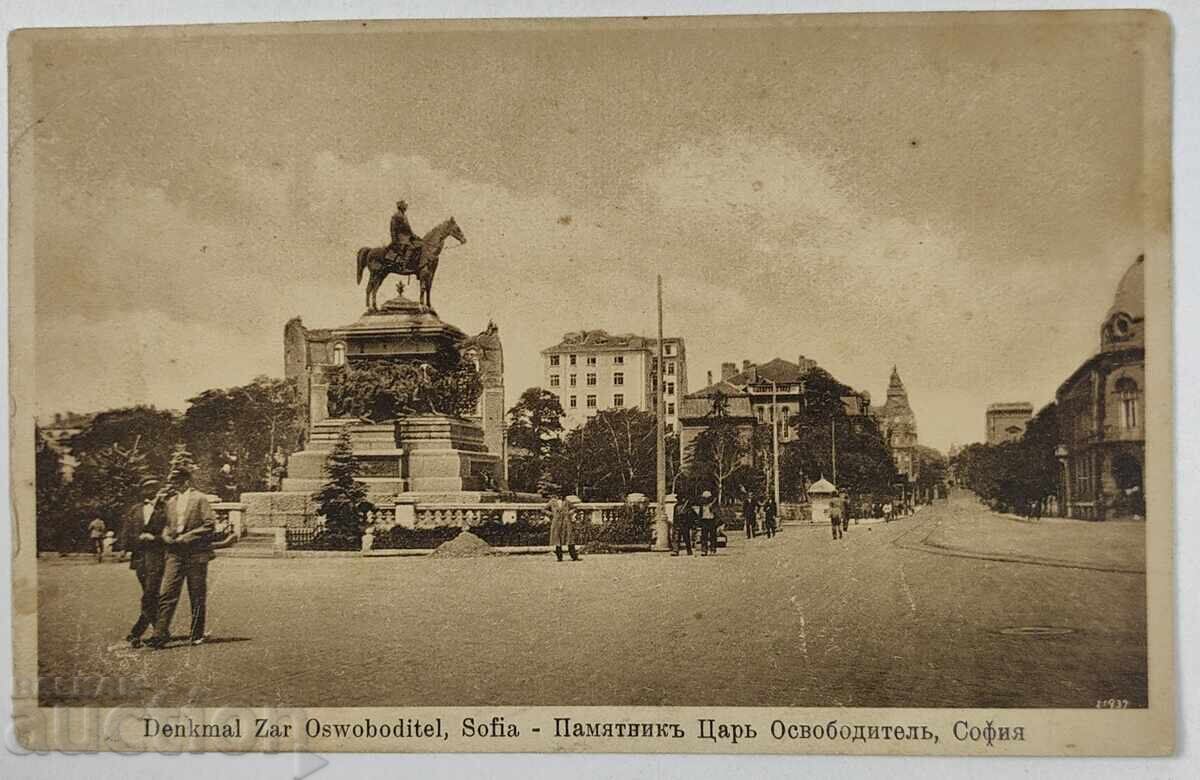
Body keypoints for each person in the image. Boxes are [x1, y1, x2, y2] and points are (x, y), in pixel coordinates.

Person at [148, 461, 220, 648]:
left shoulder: (200, 499)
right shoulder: (170, 502)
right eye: (172, 482)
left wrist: (187, 537)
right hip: (174, 554)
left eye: (177, 482)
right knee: (166, 592)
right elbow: (165, 524)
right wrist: (165, 536)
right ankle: (159, 634)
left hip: (196, 554)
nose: (173, 485)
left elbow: (209, 524)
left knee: (196, 594)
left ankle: (196, 633)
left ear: (186, 482)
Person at [121, 478, 168, 648]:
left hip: (157, 556)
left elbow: (170, 530)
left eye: (151, 488)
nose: (148, 492)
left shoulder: (165, 508)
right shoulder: (136, 509)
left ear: (157, 489)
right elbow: (127, 529)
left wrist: (154, 538)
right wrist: (124, 548)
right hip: (139, 557)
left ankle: (137, 632)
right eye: (145, 489)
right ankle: (160, 632)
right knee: (150, 595)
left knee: (150, 594)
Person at [386, 199, 422, 268]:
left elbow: (408, 230)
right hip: (400, 237)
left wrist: (415, 236)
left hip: (406, 236)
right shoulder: (397, 215)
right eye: (404, 206)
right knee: (411, 247)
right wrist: (395, 240)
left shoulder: (404, 215)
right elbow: (393, 229)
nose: (406, 207)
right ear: (401, 207)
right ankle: (403, 263)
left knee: (418, 244)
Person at [547, 494, 580, 562]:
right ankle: (559, 557)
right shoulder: (552, 502)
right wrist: (551, 514)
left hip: (566, 521)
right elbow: (543, 509)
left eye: (562, 495)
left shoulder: (567, 502)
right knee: (557, 540)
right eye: (559, 495)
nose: (561, 497)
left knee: (569, 538)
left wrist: (570, 512)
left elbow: (574, 508)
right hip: (556, 522)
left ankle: (574, 556)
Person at [697, 491, 718, 556]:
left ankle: (713, 548)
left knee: (713, 536)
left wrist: (712, 508)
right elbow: (700, 514)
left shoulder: (713, 504)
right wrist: (699, 522)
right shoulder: (702, 505)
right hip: (704, 521)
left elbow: (717, 513)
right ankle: (704, 550)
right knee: (704, 536)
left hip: (712, 521)